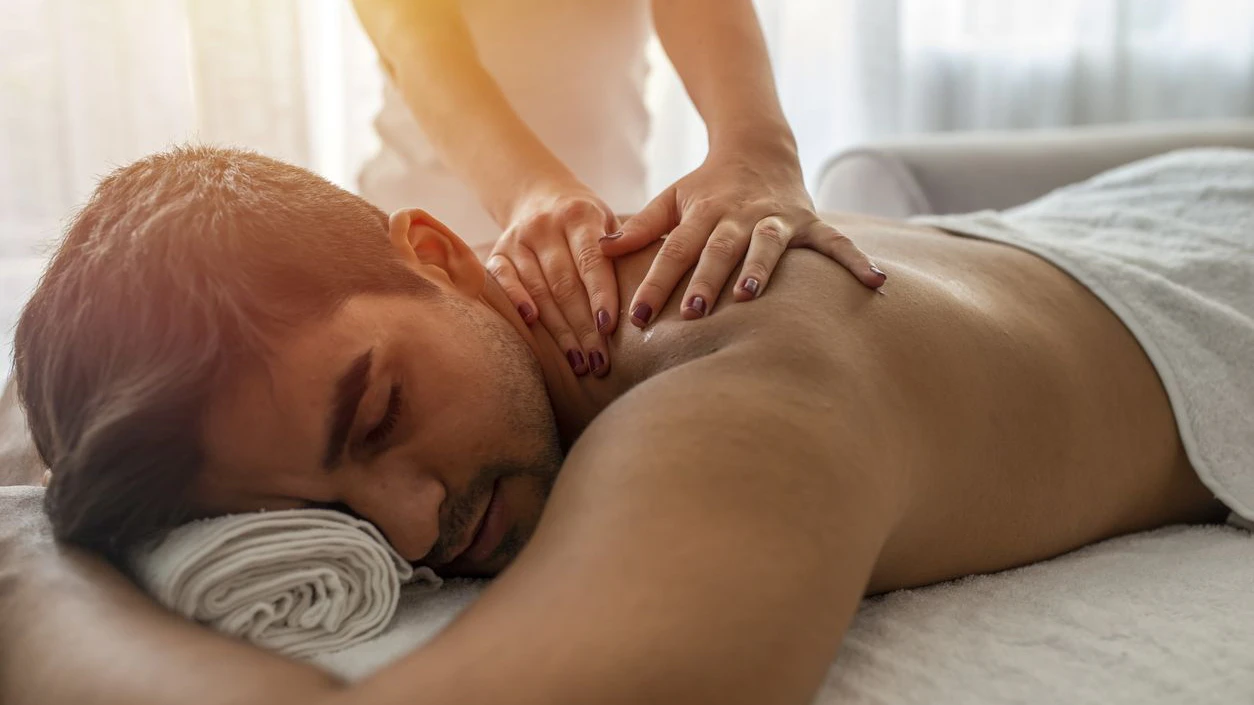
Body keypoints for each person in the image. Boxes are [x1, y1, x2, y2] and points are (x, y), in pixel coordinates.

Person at [2, 145, 1252, 705]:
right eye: (321, 518)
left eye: (377, 415)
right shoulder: (562, 308)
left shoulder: (732, 379)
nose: (414, 528)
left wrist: (22, 571)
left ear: (438, 253)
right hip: (1092, 225)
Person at [350, 0, 887, 378]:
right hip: (438, 231)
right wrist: (528, 193)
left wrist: (760, 154)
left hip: (610, 217)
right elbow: (413, 40)